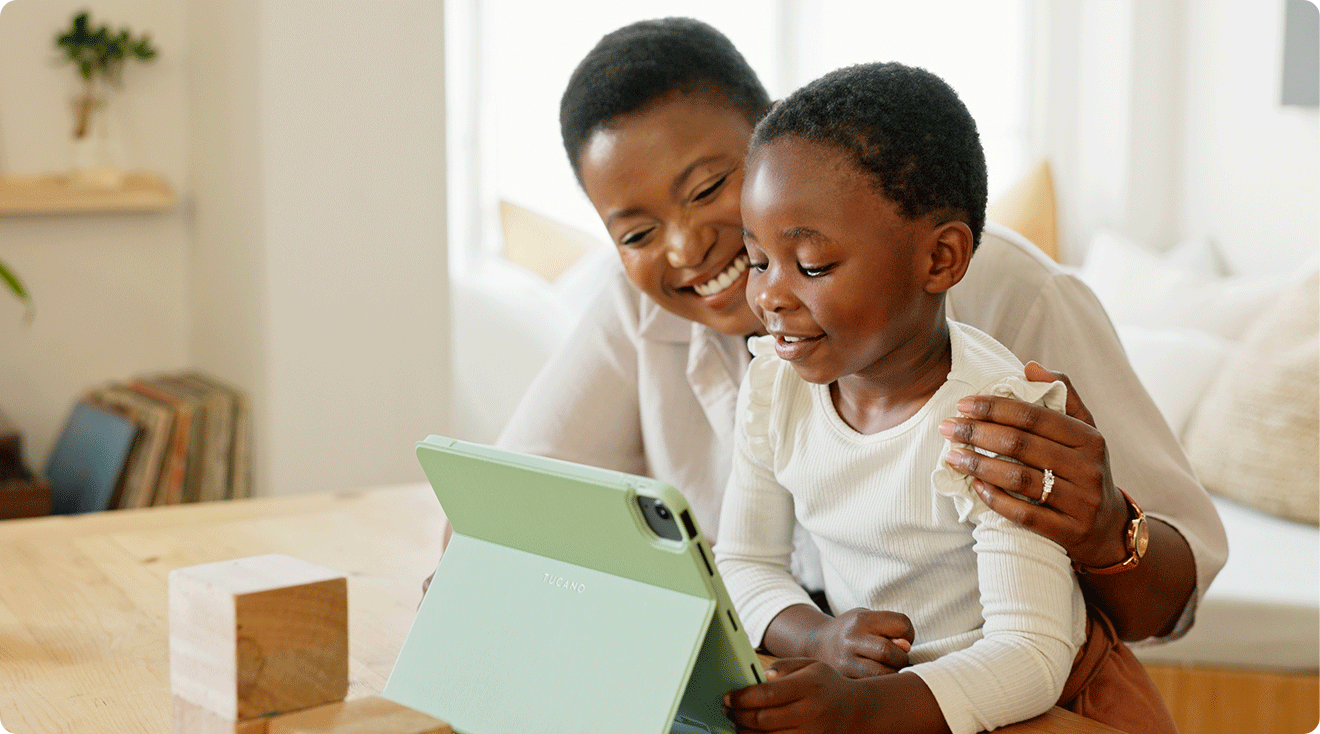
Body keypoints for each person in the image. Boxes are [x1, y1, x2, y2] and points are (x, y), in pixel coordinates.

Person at [486, 17, 1225, 646]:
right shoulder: (641, 306)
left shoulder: (1011, 294)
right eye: (637, 232)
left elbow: (1170, 603)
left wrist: (1106, 528)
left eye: (709, 188)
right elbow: (505, 502)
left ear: (772, 131)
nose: (685, 248)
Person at [714, 60, 1175, 734]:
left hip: (1051, 705)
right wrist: (820, 638)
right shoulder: (774, 387)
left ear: (940, 259)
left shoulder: (999, 419)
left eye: (811, 265)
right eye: (757, 260)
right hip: (895, 703)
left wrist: (867, 709)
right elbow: (743, 561)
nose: (769, 296)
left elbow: (1030, 655)